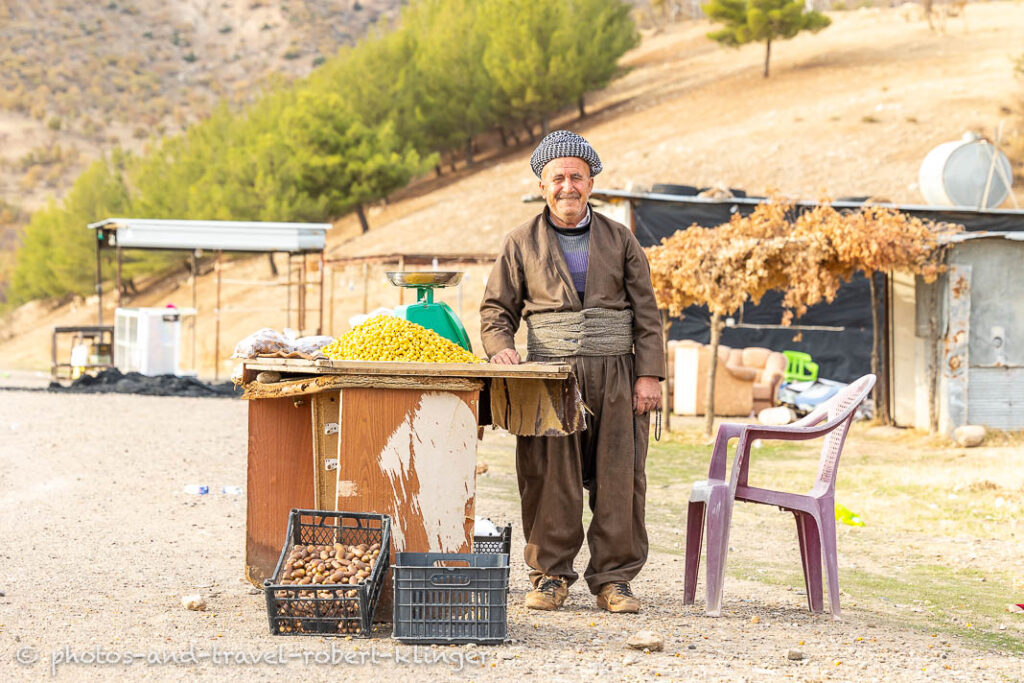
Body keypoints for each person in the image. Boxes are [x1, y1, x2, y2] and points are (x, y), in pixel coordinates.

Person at [480, 130, 665, 614]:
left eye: (576, 177)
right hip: (549, 376)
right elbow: (497, 311)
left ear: (591, 182)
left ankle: (614, 579)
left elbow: (647, 314)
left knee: (620, 475)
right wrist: (501, 349)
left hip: (617, 376)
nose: (568, 186)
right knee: (548, 475)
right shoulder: (520, 242)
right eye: (557, 177)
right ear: (542, 185)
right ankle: (550, 577)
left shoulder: (621, 240)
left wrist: (649, 376)